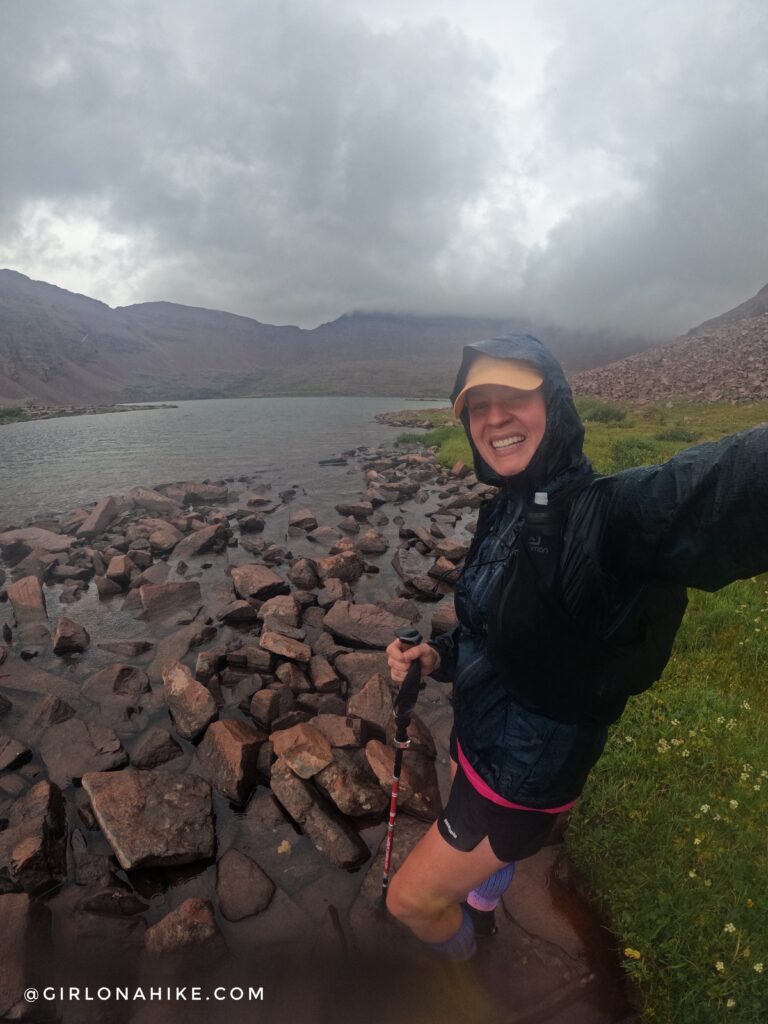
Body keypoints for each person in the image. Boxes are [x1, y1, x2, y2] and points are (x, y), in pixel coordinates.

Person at [385, 331, 768, 962]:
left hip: (521, 783)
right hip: (482, 745)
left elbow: (724, 487)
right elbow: (490, 630)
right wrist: (438, 657)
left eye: (515, 395)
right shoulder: (508, 505)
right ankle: (484, 896)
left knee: (409, 902)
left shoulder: (610, 516)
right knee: (475, 858)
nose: (495, 416)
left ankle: (460, 971)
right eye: (479, 406)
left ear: (555, 404)